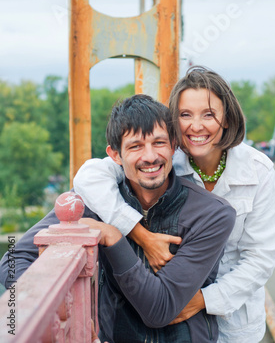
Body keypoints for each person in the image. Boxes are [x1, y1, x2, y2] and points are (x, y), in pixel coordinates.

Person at [0, 94, 236, 343]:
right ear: (115, 155)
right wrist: (69, 312)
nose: (150, 156)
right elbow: (13, 261)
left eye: (159, 143)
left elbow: (160, 310)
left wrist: (112, 235)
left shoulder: (212, 214)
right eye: (135, 146)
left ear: (174, 144)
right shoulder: (97, 199)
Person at [74, 66, 275, 343]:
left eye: (208, 114)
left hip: (232, 318)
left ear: (228, 119)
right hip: (177, 320)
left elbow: (260, 257)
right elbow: (89, 176)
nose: (196, 126)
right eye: (185, 115)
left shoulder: (258, 170)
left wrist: (203, 299)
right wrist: (139, 234)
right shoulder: (163, 158)